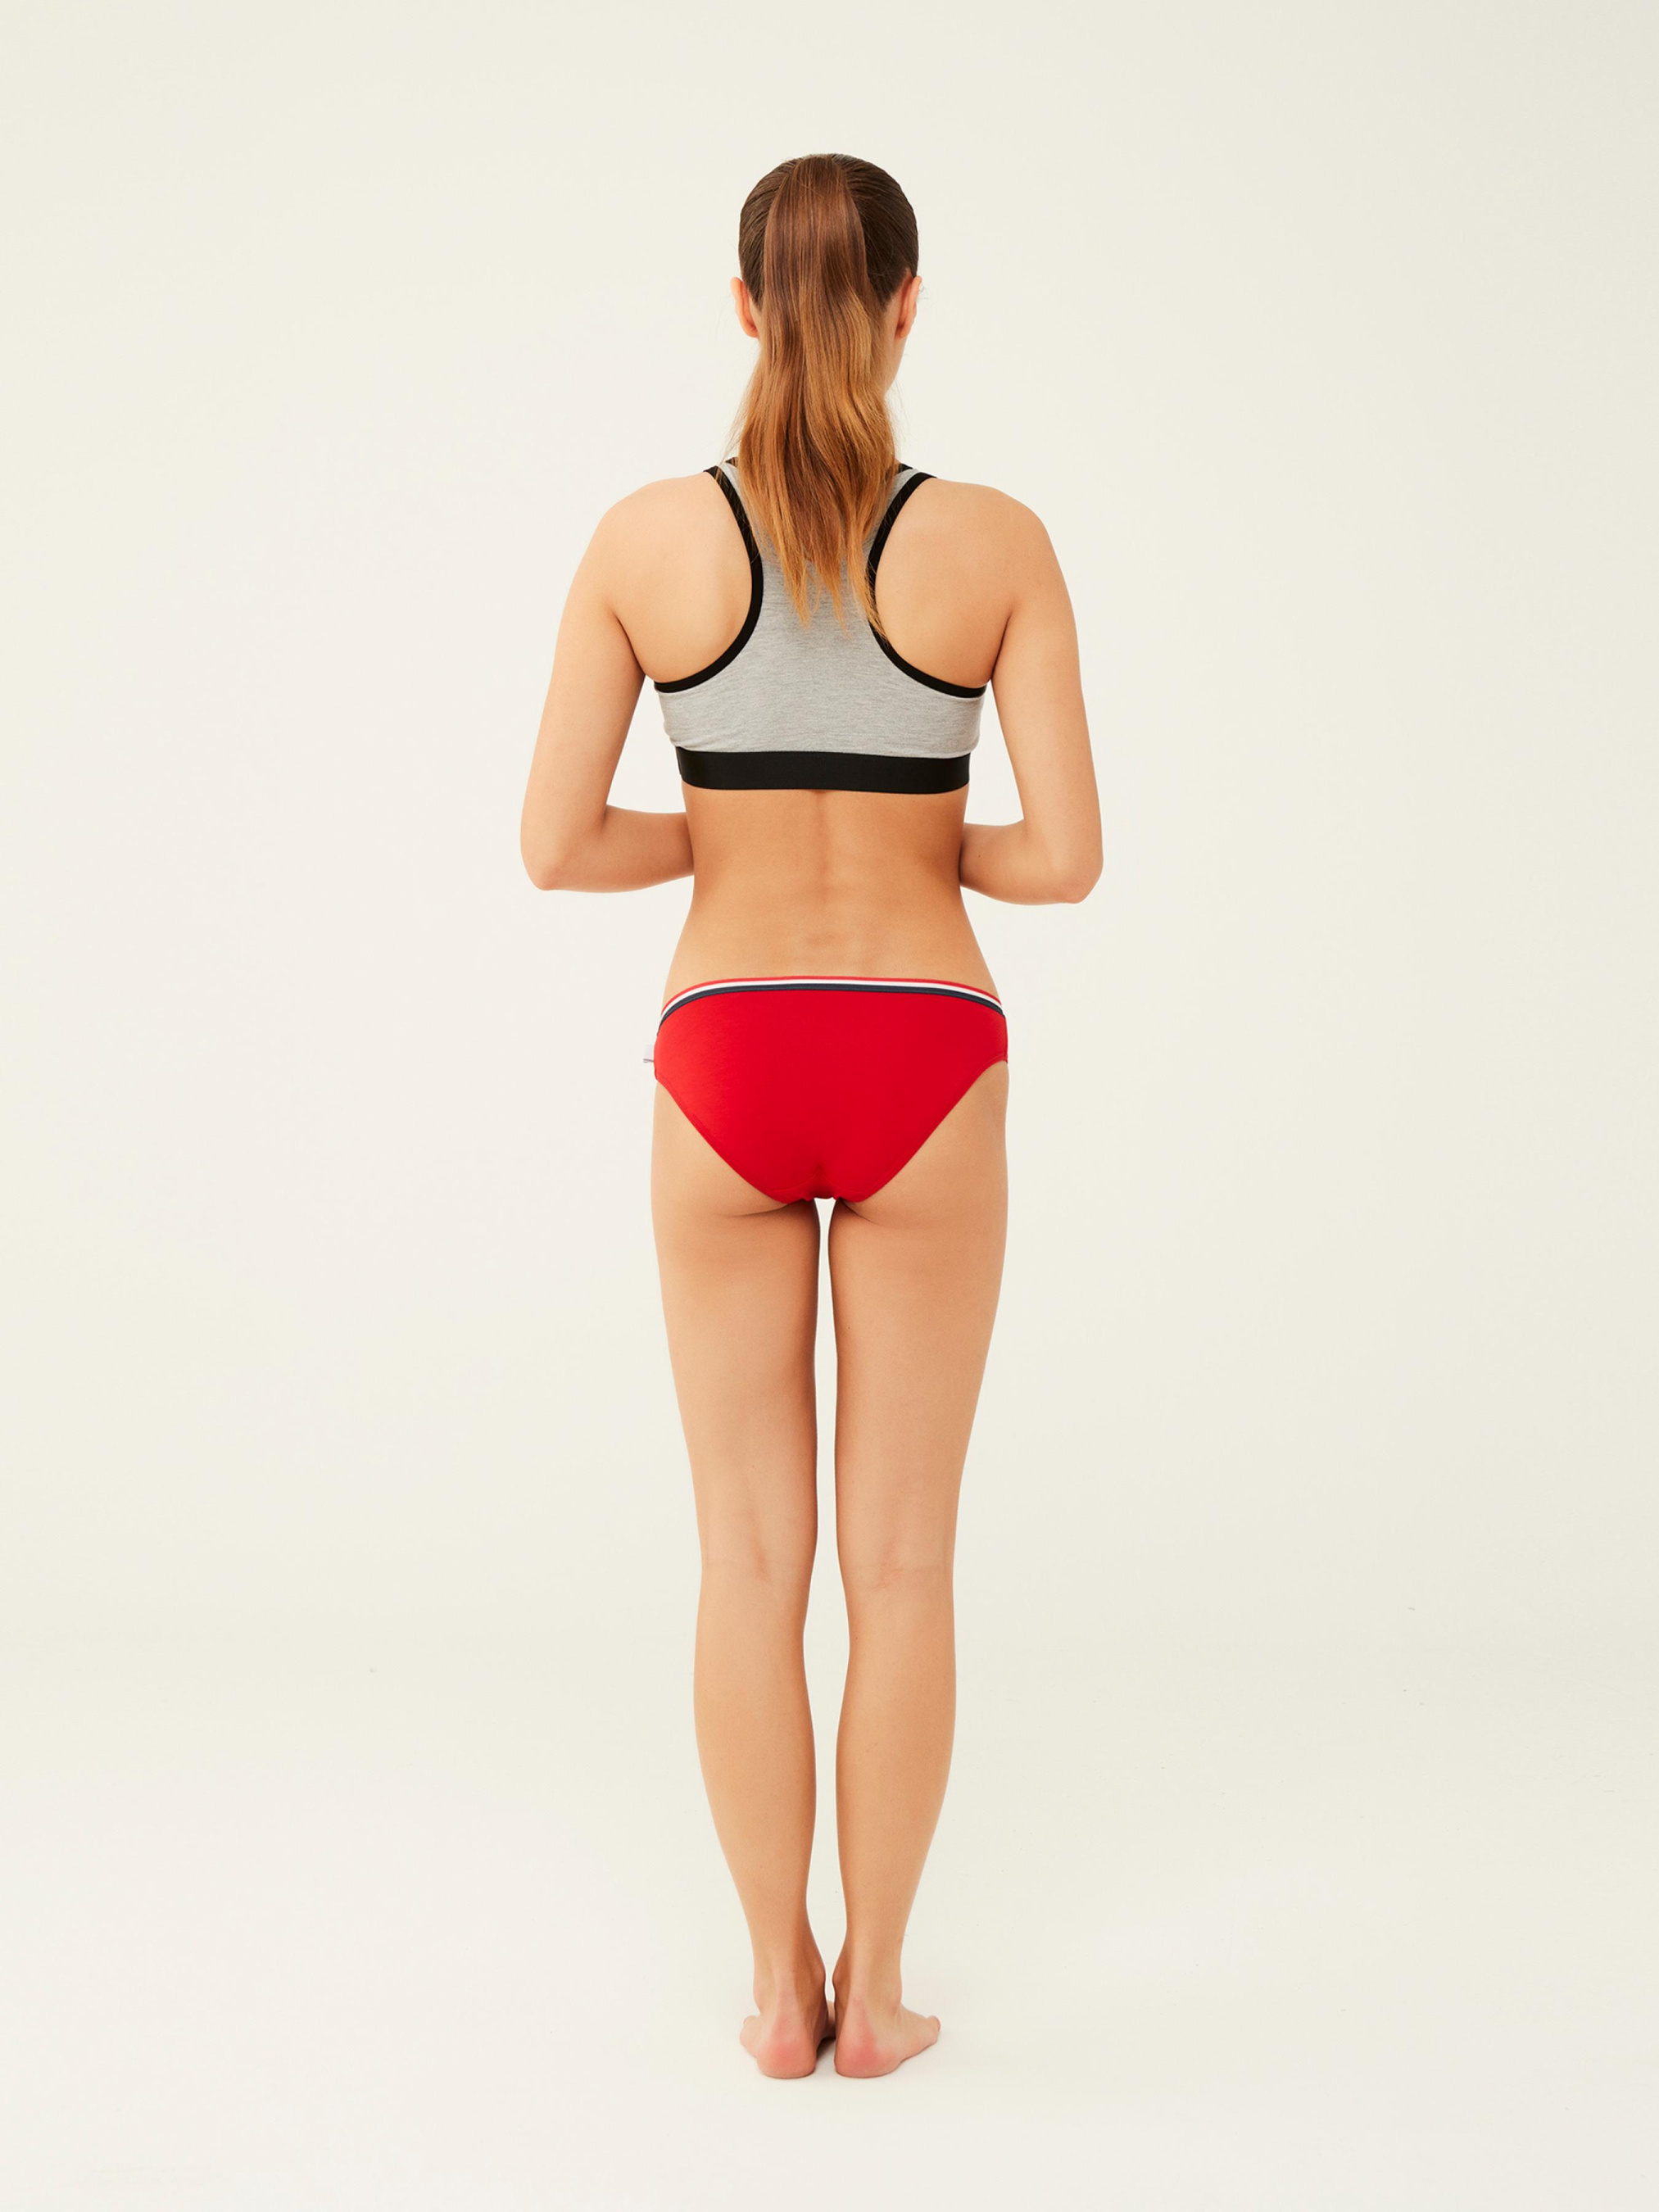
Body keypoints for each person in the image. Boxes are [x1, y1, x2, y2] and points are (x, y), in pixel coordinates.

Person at [519, 153, 1100, 2079]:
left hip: (727, 1054)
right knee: (902, 1564)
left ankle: (776, 1992)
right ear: (908, 308)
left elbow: (556, 844)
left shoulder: (644, 542)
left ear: (745, 308)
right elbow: (1063, 857)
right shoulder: (994, 543)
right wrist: (918, 841)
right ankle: (881, 1997)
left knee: (746, 1563)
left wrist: (731, 833)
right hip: (926, 1053)